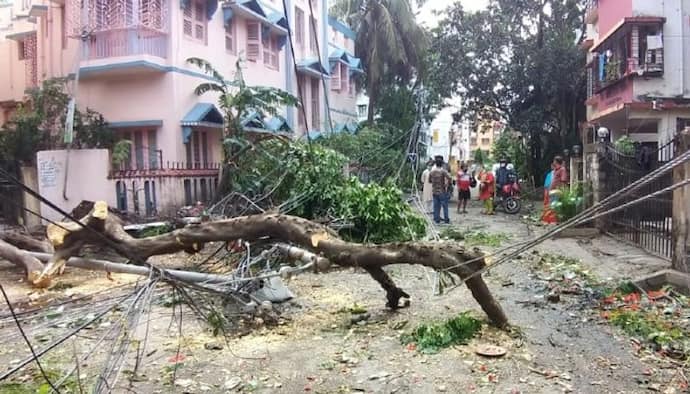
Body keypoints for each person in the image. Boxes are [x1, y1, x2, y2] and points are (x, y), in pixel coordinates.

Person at [429, 155, 452, 224]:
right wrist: (447, 184)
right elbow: (450, 178)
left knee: (436, 206)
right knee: (445, 206)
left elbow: (429, 180)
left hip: (434, 191)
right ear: (442, 164)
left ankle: (437, 219)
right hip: (442, 190)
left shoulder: (432, 171)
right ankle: (446, 219)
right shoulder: (443, 171)